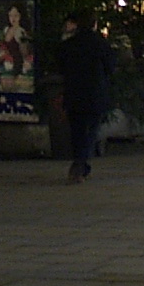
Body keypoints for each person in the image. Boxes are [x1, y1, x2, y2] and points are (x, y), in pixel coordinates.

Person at [55, 10, 115, 183]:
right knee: (91, 131)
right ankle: (81, 164)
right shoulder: (101, 44)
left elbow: (60, 66)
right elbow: (110, 67)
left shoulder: (69, 45)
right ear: (94, 25)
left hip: (74, 93)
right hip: (95, 93)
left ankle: (79, 163)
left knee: (77, 131)